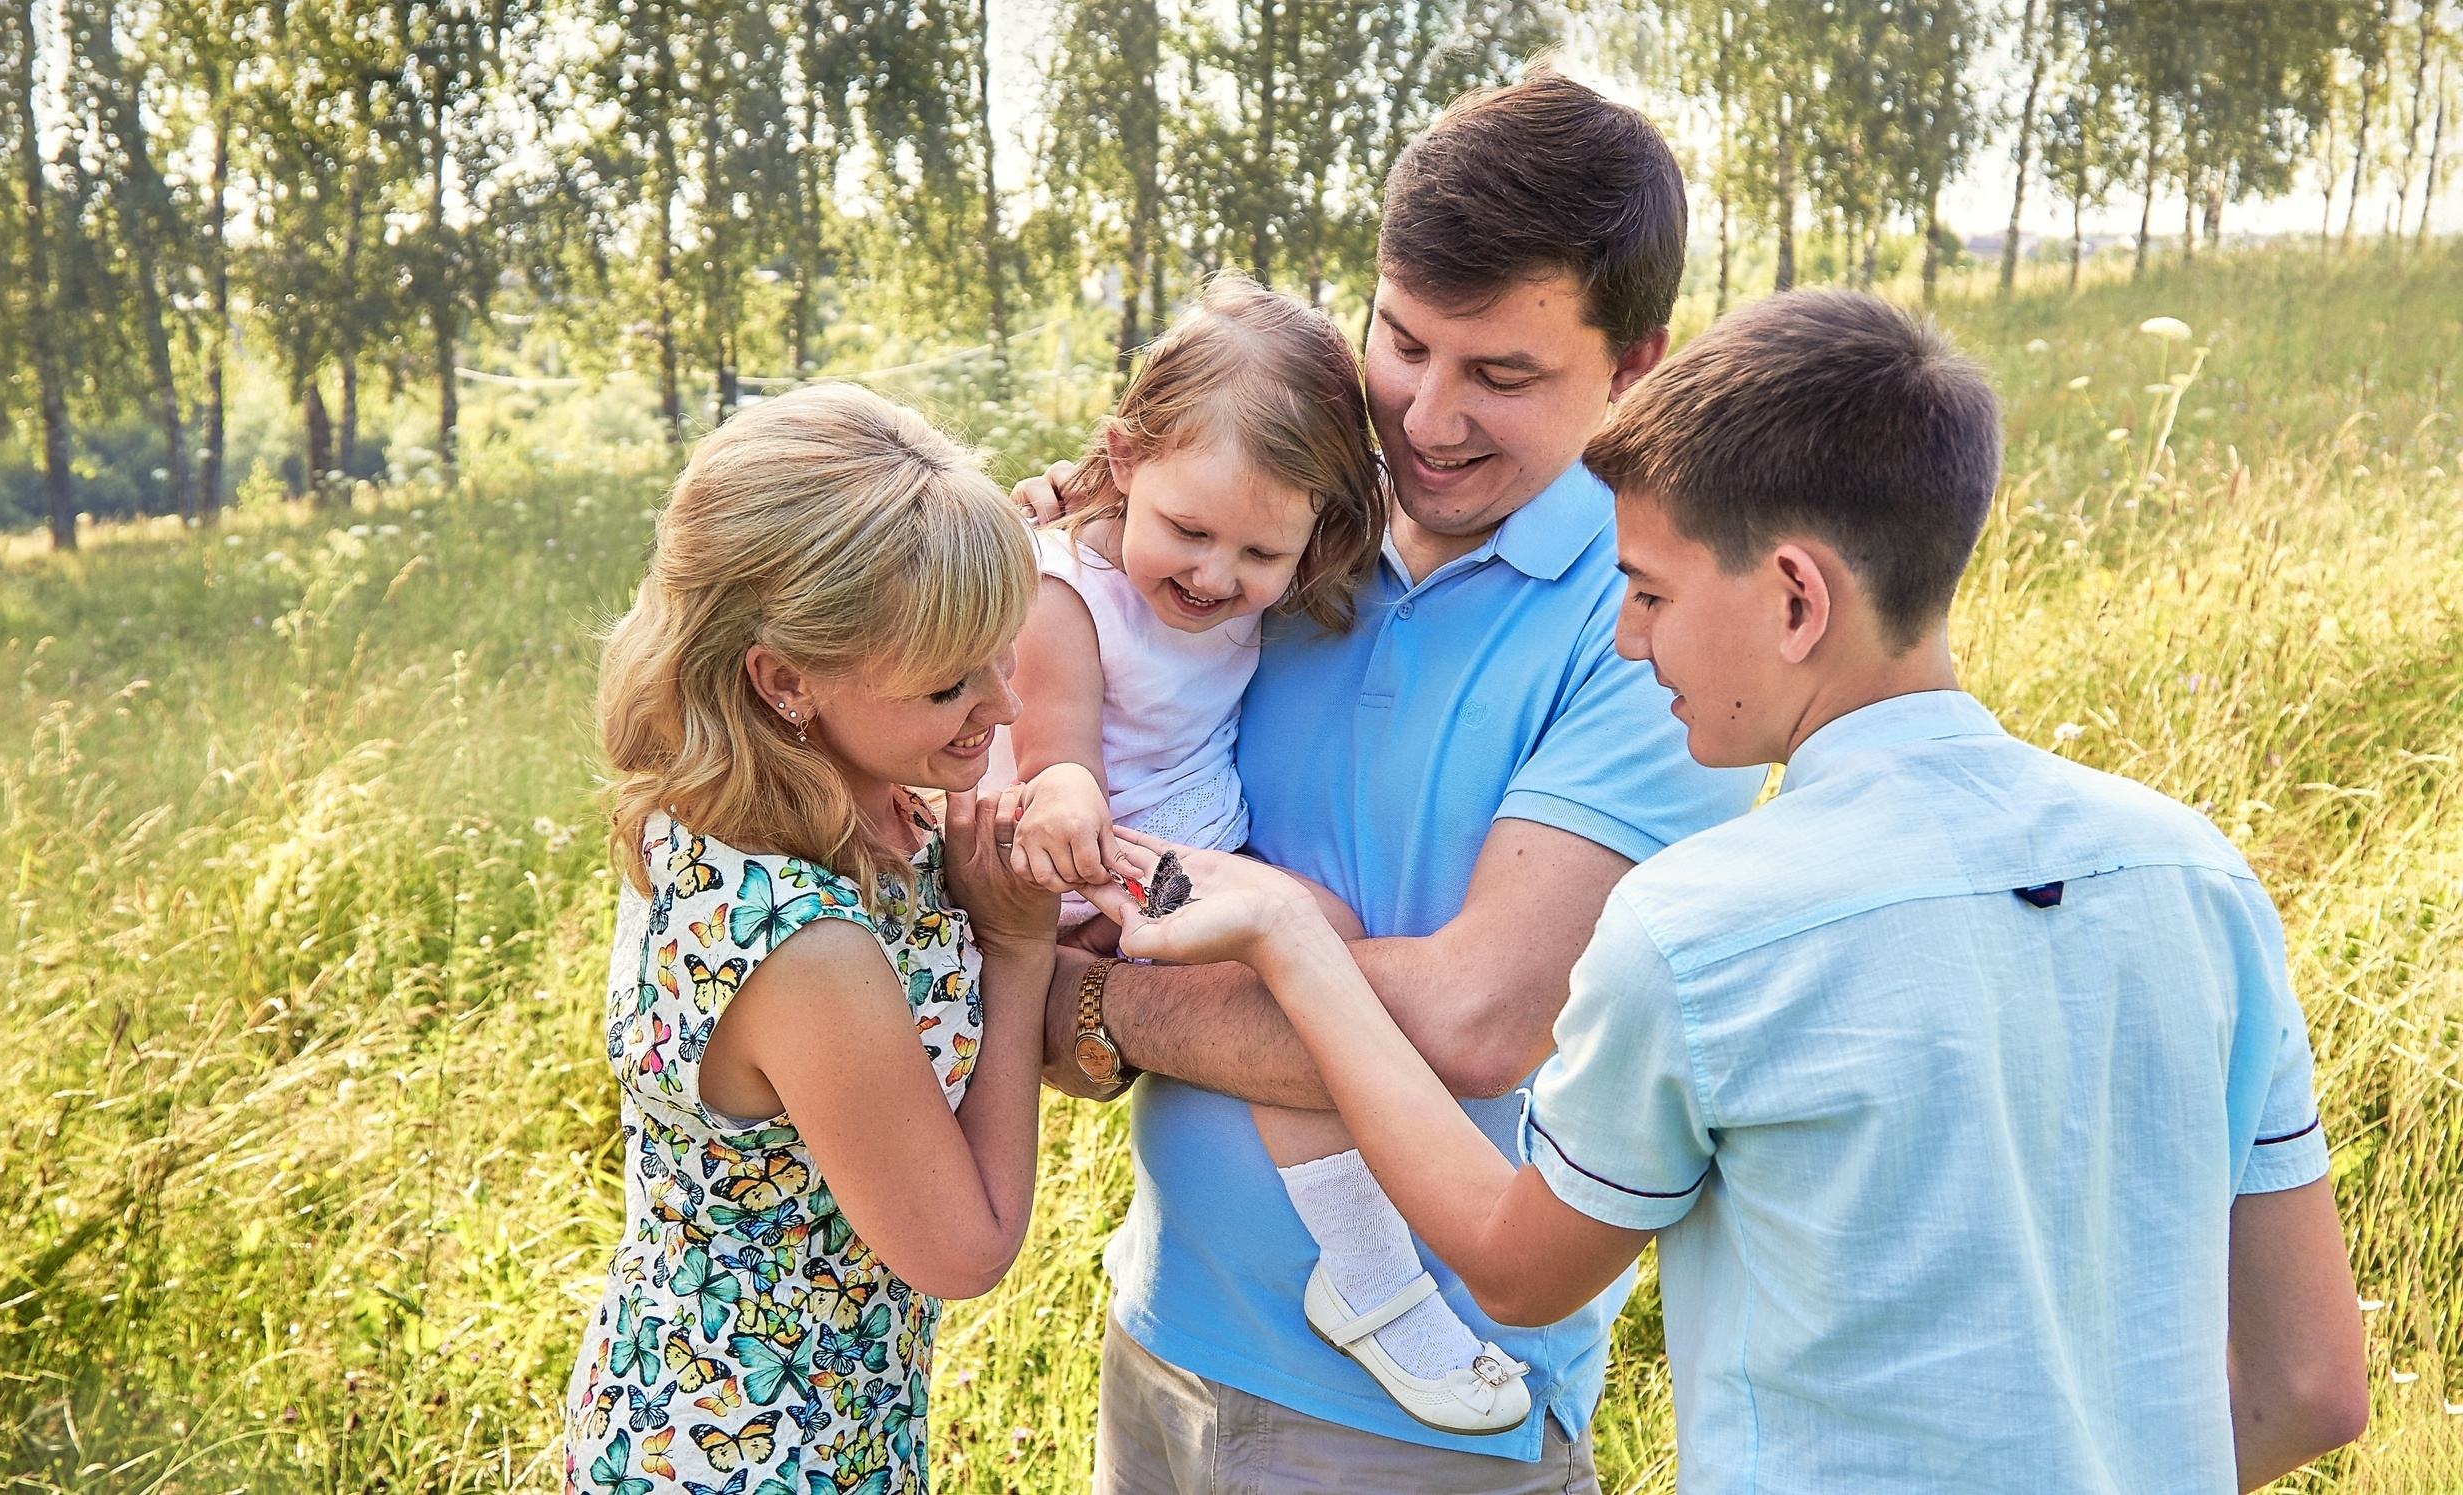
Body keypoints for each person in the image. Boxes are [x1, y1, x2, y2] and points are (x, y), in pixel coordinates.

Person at [1087, 289, 2371, 1493]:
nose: (1631, 636)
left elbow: (1515, 1267)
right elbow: (2313, 1387)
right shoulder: (2199, 875)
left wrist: (1284, 939)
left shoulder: (1703, 927)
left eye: (1647, 591)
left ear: (1797, 597)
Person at [1018, 69, 1765, 1489]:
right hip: (1163, 1333)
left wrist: (1088, 998)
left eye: (1502, 374)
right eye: (1403, 343)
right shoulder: (1281, 524)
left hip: (1423, 1424)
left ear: (1639, 360)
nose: (1425, 417)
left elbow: (1486, 1016)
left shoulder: (1658, 620)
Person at [1004, 276, 1536, 1434]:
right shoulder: (1066, 593)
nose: (1213, 576)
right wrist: (1062, 805)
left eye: (1259, 552)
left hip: (1187, 844)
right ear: (1124, 460)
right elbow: (1056, 758)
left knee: (1307, 962)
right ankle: (1373, 1276)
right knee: (1308, 963)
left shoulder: (1250, 555)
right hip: (1101, 856)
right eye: (1188, 532)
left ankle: (1360, 1269)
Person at [567, 384, 1064, 1495]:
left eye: (1002, 652)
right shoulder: (806, 948)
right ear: (785, 678)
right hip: (759, 1446)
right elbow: (963, 1248)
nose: (1001, 705)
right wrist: (1020, 954)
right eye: (948, 682)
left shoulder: (740, 799)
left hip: (709, 1400)